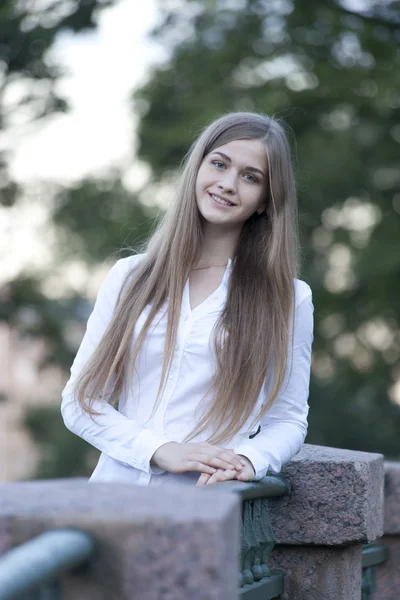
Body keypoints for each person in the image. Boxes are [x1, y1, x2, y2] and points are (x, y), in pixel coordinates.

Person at [61, 111, 314, 487]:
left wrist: (249, 459)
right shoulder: (131, 278)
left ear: (264, 200)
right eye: (219, 164)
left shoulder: (288, 297)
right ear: (197, 169)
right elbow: (81, 402)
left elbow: (288, 419)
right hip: (111, 505)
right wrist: (158, 449)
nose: (228, 184)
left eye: (250, 177)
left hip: (206, 513)